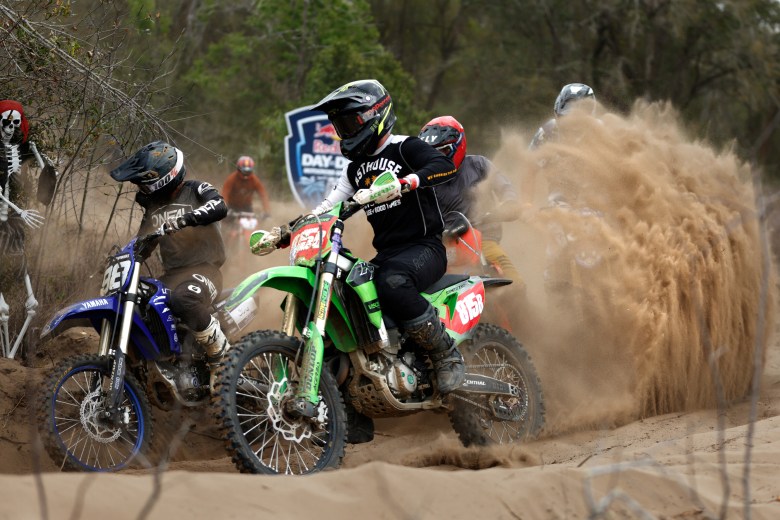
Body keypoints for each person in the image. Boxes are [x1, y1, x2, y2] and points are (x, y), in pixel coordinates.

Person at [109, 141, 230, 391]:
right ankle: (163, 365)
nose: (141, 188)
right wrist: (120, 261)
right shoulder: (153, 209)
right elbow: (141, 244)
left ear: (163, 178)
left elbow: (219, 206)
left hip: (205, 270)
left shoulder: (196, 190)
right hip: (172, 276)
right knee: (141, 303)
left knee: (183, 300)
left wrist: (185, 219)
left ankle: (222, 358)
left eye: (145, 182)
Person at [418, 116, 524, 290]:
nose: (435, 159)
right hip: (442, 250)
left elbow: (504, 187)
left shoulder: (478, 165)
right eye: (430, 154)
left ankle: (524, 315)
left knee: (515, 287)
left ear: (457, 146)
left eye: (442, 152)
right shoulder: (422, 181)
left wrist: (509, 203)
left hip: (482, 241)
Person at [528, 83, 596, 150]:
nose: (570, 121)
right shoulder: (549, 129)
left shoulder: (597, 131)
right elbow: (530, 155)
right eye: (565, 117)